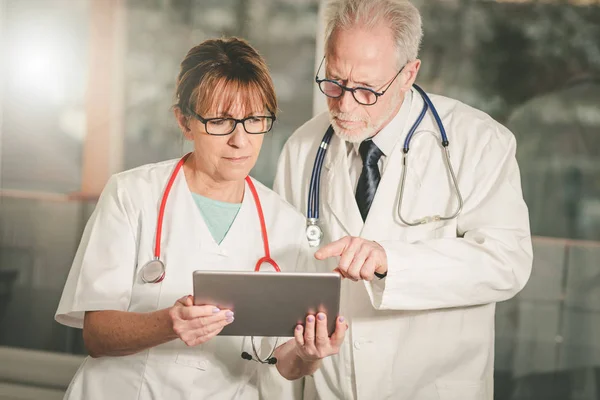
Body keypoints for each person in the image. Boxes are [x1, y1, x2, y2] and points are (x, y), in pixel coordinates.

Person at [55, 37, 346, 400]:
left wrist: (308, 354)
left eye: (255, 119)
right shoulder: (132, 195)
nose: (240, 140)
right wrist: (167, 323)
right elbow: (95, 335)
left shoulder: (285, 225)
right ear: (184, 121)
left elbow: (283, 362)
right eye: (221, 122)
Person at [273, 0, 533, 399]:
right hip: (330, 388)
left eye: (365, 90)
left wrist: (391, 262)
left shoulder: (479, 142)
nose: (343, 104)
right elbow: (287, 279)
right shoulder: (303, 148)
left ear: (408, 74)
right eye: (334, 81)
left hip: (432, 387)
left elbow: (507, 262)